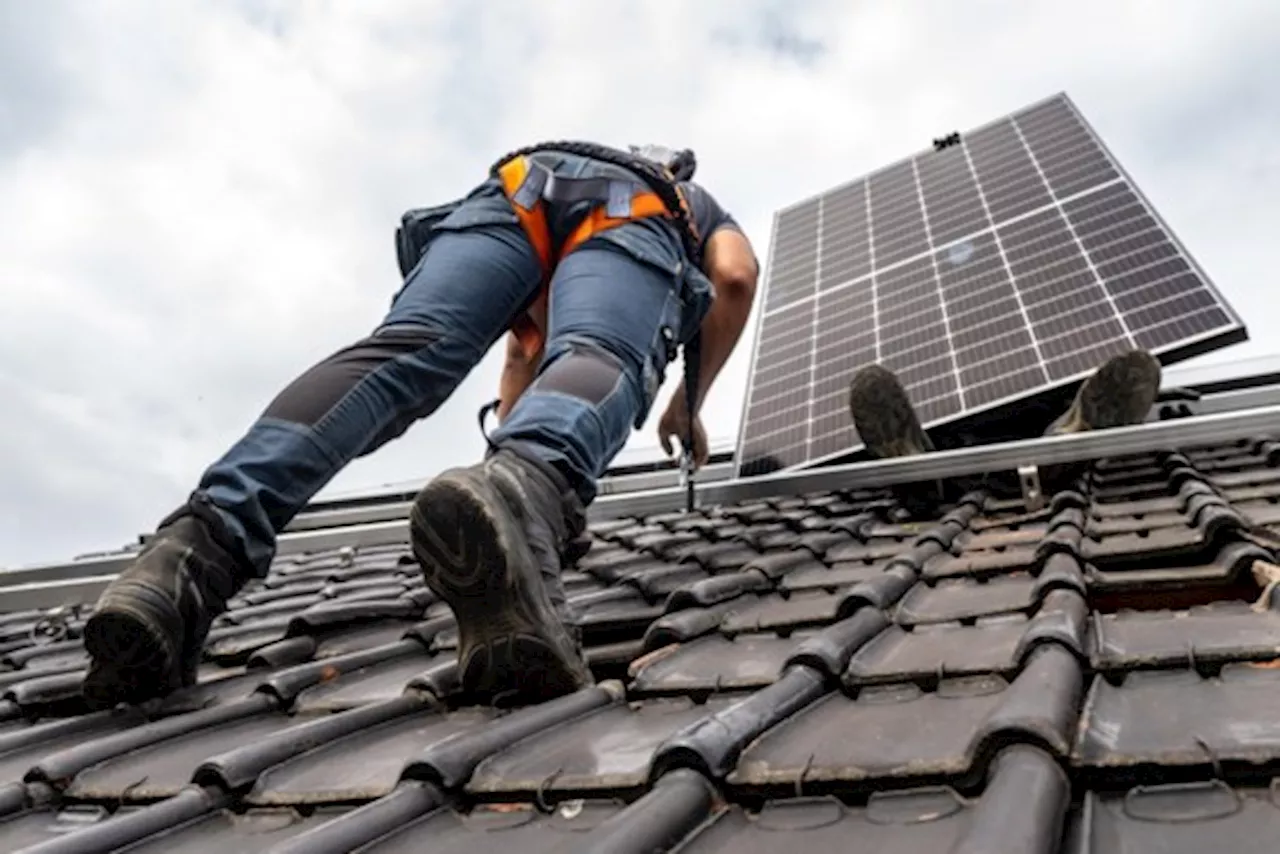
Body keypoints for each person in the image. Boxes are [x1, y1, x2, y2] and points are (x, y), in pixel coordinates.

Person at [82, 142, 759, 708]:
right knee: (598, 354)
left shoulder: (550, 208)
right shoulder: (695, 204)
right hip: (631, 212)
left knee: (405, 349)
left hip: (512, 191)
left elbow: (524, 356)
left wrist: (499, 481)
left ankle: (192, 554)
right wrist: (686, 404)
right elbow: (732, 276)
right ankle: (530, 502)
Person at [847, 349, 1163, 502]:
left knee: (1051, 438)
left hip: (1032, 427)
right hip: (955, 442)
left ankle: (1077, 431)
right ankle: (912, 461)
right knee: (1044, 446)